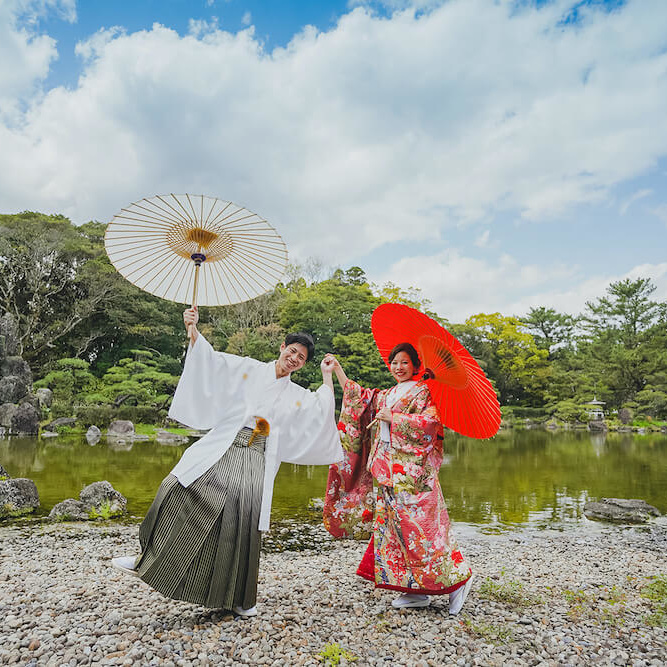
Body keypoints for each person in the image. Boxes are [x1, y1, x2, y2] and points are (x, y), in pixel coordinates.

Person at [112, 306, 343, 617]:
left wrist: (327, 376)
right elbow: (212, 363)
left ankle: (240, 598)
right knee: (177, 484)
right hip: (227, 440)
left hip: (256, 448)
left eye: (300, 358)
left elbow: (321, 407)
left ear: (302, 365)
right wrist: (192, 330)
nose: (294, 359)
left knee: (242, 512)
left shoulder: (295, 394)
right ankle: (148, 557)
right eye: (292, 351)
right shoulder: (249, 368)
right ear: (282, 348)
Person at [322, 343, 474, 613]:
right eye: (394, 362)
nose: (398, 367)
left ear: (415, 366)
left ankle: (458, 580)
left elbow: (430, 426)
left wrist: (394, 418)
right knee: (396, 531)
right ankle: (414, 590)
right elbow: (359, 398)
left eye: (405, 362)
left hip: (415, 474)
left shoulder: (425, 391)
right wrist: (338, 371)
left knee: (424, 531)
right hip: (386, 469)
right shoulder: (387, 394)